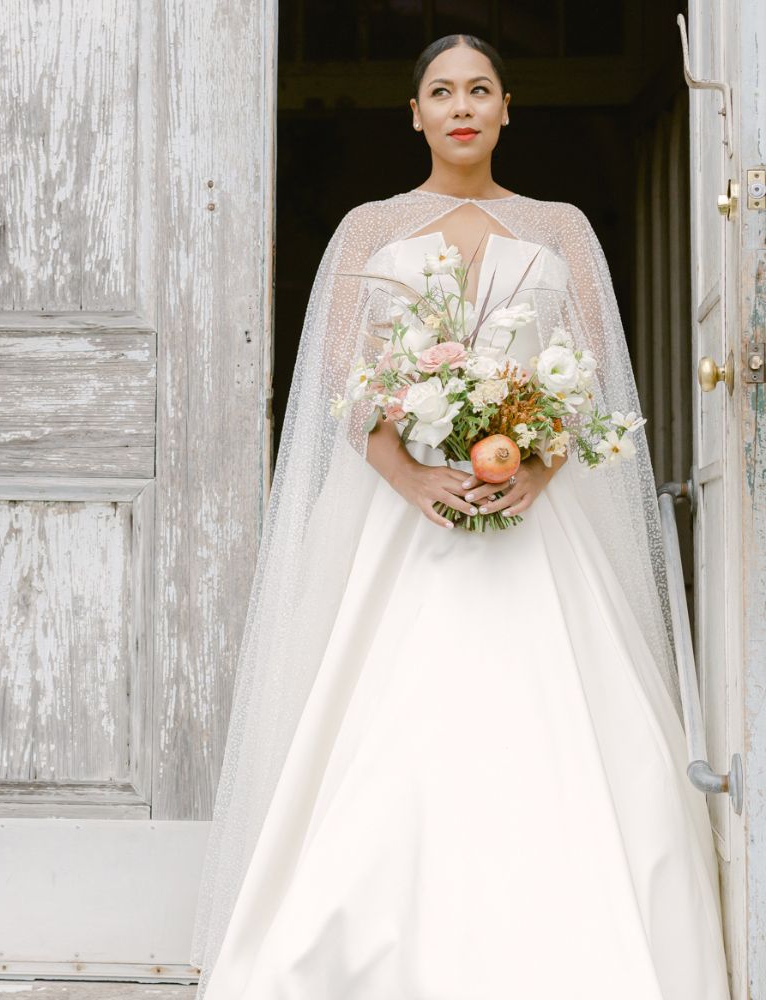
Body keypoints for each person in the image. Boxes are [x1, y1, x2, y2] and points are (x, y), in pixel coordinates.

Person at [189, 33, 732, 1000]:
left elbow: (593, 381)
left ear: (508, 107)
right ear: (416, 114)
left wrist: (539, 470)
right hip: (405, 522)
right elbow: (340, 386)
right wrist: (411, 480)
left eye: (479, 89)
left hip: (537, 519)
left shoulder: (559, 227)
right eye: (441, 91)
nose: (461, 106)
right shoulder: (369, 229)